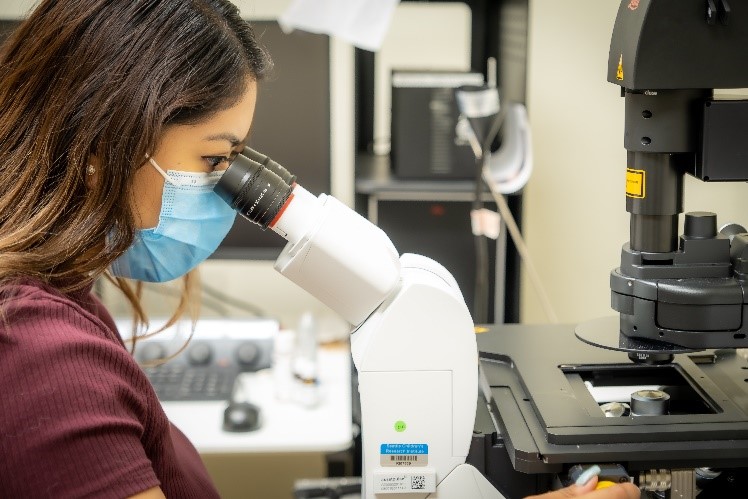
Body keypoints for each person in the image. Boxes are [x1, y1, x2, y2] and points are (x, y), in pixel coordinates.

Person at [0, 1, 641, 498]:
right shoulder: (42, 362)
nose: (228, 187)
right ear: (100, 145)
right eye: (215, 159)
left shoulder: (62, 297)